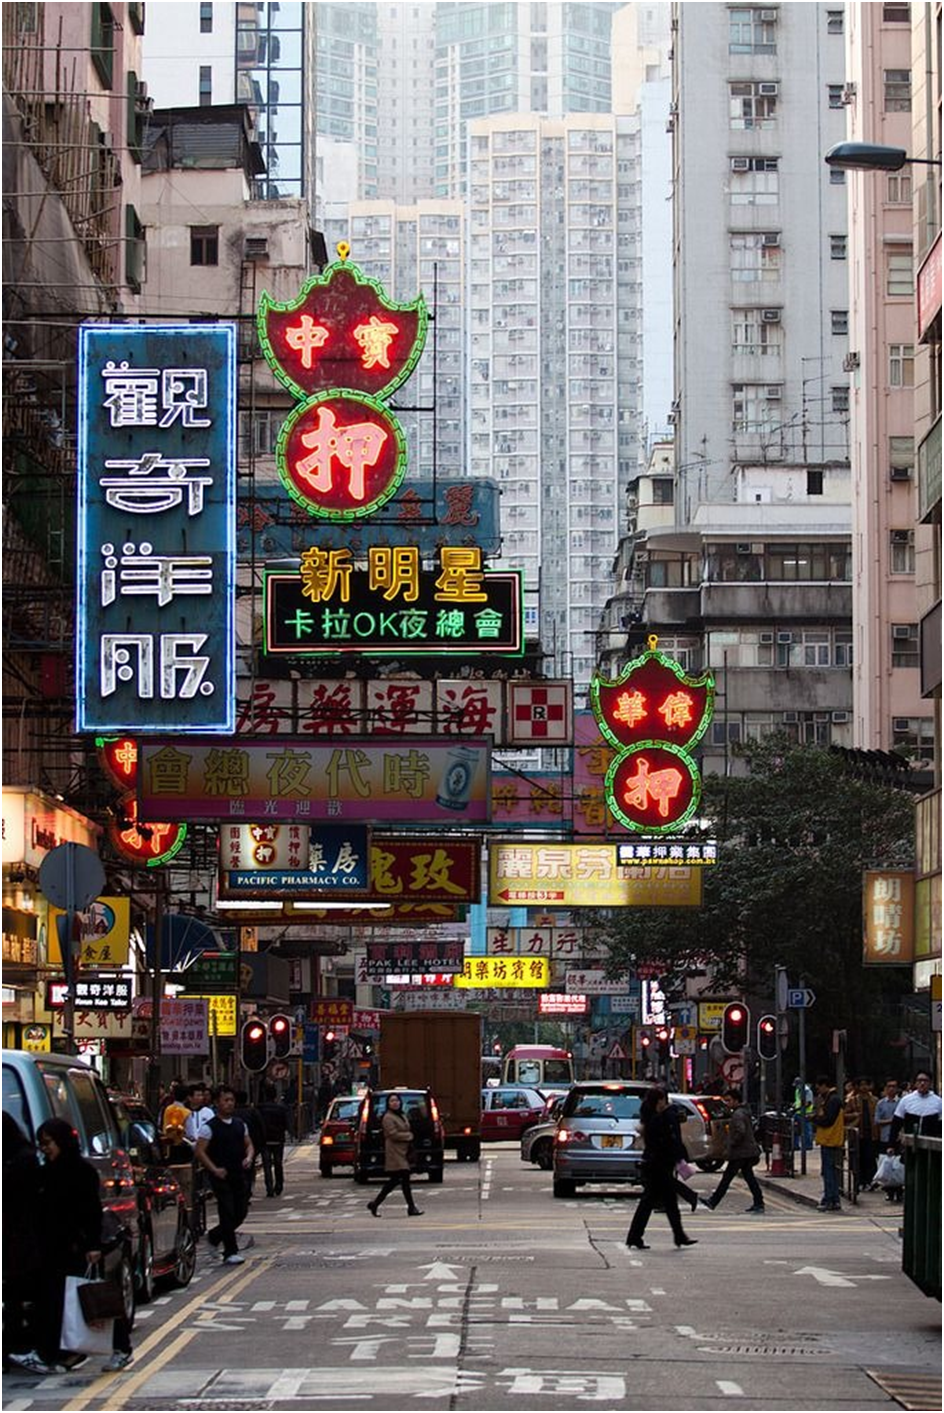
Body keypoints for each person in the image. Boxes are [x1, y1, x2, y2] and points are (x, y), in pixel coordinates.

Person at [8, 1118, 133, 1376]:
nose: (45, 1149)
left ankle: (121, 1347)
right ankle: (50, 1354)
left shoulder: (80, 1172)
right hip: (53, 1249)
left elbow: (91, 1212)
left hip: (76, 1248)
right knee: (54, 1302)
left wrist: (93, 1245)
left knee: (90, 1299)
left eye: (49, 1143)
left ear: (63, 1142)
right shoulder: (47, 1171)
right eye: (42, 1144)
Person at [624, 1086, 697, 1250]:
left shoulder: (652, 1117)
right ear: (660, 1100)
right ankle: (638, 1236)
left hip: (656, 1164)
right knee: (655, 1202)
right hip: (658, 1166)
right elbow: (669, 1141)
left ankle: (677, 1235)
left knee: (662, 1202)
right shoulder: (659, 1119)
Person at [195, 1087, 254, 1265]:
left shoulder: (240, 1124)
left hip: (239, 1174)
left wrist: (249, 1157)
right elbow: (200, 1151)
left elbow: (249, 1144)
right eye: (225, 1100)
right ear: (217, 1103)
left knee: (240, 1212)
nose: (229, 1104)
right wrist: (214, 1169)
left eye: (231, 1100)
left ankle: (214, 1236)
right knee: (227, 1211)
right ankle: (230, 1251)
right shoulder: (209, 1127)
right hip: (221, 1176)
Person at [2, 1113, 42, 1370]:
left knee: (18, 1296)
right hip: (17, 1239)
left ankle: (18, 1346)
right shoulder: (22, 1157)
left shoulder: (21, 1162)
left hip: (21, 1240)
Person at [703, 1087, 765, 1213]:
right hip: (746, 1151)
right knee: (749, 1177)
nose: (727, 1103)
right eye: (725, 1101)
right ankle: (759, 1202)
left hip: (740, 1152)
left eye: (729, 1100)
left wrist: (732, 1143)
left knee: (727, 1178)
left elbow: (740, 1131)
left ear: (736, 1100)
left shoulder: (738, 1115)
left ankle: (713, 1201)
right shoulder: (743, 1112)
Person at [366, 1092, 422, 1217]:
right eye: (392, 1101)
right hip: (394, 1151)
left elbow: (406, 1128)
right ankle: (411, 1207)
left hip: (403, 1151)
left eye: (397, 1100)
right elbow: (392, 1134)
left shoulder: (402, 1115)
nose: (395, 1103)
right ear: (388, 1103)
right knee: (403, 1178)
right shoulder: (388, 1117)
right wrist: (409, 1136)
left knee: (396, 1180)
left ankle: (375, 1203)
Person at [811, 1075, 844, 1212]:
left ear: (825, 1085)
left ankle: (830, 1200)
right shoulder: (831, 1099)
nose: (818, 1091)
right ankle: (832, 1199)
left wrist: (815, 1119)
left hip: (830, 1139)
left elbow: (828, 1120)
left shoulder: (832, 1100)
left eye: (819, 1088)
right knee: (830, 1171)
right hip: (829, 1139)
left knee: (829, 1172)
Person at [257, 1082, 290, 1198]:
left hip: (264, 1140)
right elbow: (285, 1124)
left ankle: (269, 1188)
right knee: (278, 1163)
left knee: (267, 1165)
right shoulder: (281, 1109)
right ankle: (279, 1186)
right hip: (278, 1139)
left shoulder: (260, 1109)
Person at [234, 1091, 267, 1200]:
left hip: (235, 1146)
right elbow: (261, 1127)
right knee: (249, 1169)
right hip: (251, 1146)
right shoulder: (253, 1112)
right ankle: (246, 1191)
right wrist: (261, 1143)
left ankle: (239, 1191)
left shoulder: (232, 1113)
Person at [874, 1079, 903, 1202]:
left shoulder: (901, 1102)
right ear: (885, 1088)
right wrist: (892, 1121)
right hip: (885, 1137)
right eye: (889, 1086)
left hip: (898, 1139)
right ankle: (889, 1191)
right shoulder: (881, 1104)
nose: (891, 1089)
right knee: (886, 1165)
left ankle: (899, 1190)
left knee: (898, 1166)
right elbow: (877, 1120)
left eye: (894, 1086)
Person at [854, 1078, 878, 1190]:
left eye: (866, 1084)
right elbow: (845, 1115)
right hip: (859, 1134)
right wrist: (855, 1115)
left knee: (870, 1158)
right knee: (859, 1158)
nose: (864, 1087)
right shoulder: (853, 1100)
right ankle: (860, 1181)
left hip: (871, 1133)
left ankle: (871, 1180)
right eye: (861, 1085)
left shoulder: (875, 1100)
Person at [791, 1076, 814, 1151]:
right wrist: (793, 1106)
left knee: (806, 1130)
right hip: (798, 1113)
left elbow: (808, 1103)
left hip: (806, 1113)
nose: (796, 1087)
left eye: (797, 1085)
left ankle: (808, 1145)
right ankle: (795, 1145)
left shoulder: (807, 1091)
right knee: (795, 1129)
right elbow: (798, 1100)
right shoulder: (797, 1090)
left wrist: (798, 1108)